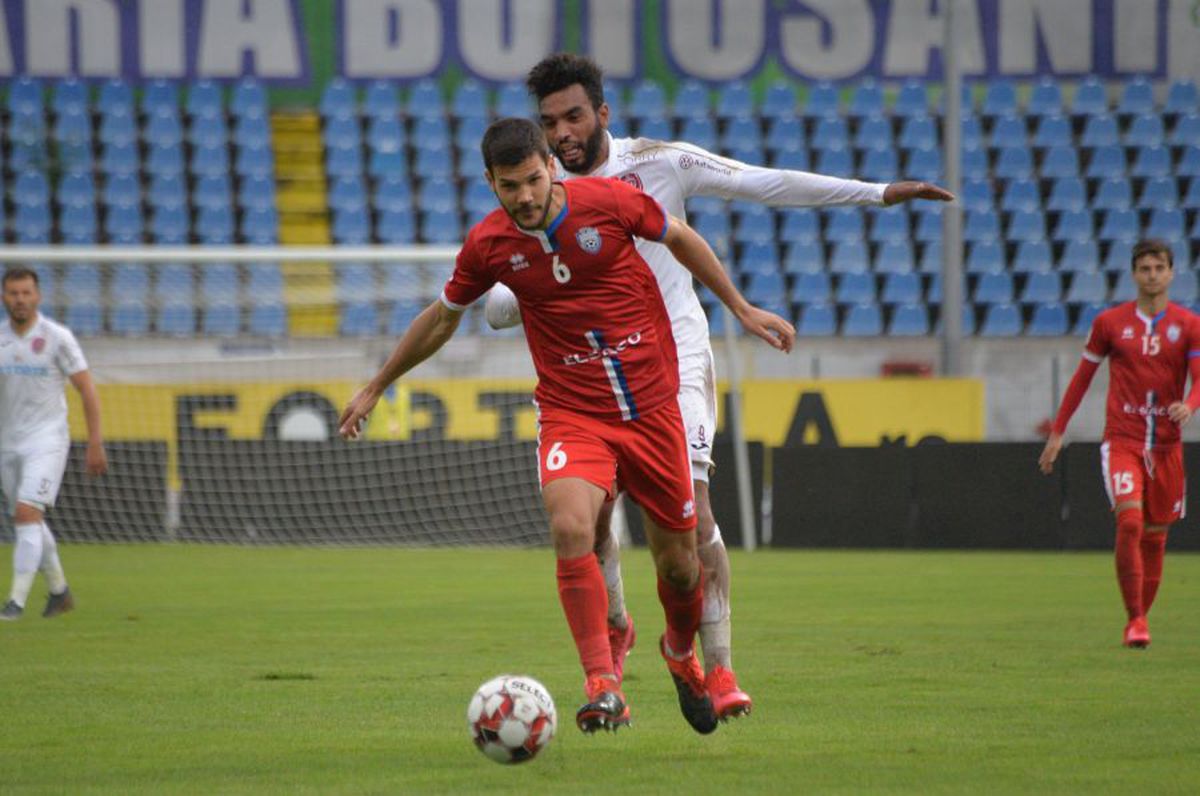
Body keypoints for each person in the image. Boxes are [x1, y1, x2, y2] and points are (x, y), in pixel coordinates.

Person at [484, 52, 955, 719]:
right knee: (588, 521)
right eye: (550, 121)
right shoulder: (537, 188)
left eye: (574, 116)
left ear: (602, 113)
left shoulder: (659, 163)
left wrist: (876, 192)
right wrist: (509, 298)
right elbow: (499, 292)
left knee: (695, 518)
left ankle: (719, 665)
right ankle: (616, 628)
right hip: (588, 376)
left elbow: (765, 183)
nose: (562, 133)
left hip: (673, 360)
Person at [339, 118, 794, 734]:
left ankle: (678, 651)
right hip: (573, 414)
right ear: (490, 182)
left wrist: (739, 306)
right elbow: (443, 317)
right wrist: (376, 385)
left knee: (680, 568)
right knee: (571, 525)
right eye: (509, 186)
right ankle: (602, 683)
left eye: (533, 179)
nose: (524, 196)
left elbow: (681, 237)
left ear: (551, 167)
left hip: (653, 411)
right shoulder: (488, 244)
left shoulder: (608, 203)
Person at [1039, 239, 1200, 648]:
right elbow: (1082, 379)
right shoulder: (1110, 323)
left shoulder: (1188, 325)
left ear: (1171, 273)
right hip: (1123, 440)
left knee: (1155, 537)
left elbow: (1199, 378)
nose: (1152, 275)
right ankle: (1136, 621)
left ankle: (1140, 617)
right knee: (1129, 521)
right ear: (1134, 274)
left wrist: (1190, 404)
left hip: (1166, 445)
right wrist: (1058, 431)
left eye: (1159, 268)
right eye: (1145, 269)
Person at [1, 267, 107, 621]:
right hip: (7, 442)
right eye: (13, 293)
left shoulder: (57, 338)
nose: (20, 299)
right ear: (4, 297)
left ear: (38, 296)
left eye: (26, 292)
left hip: (47, 440)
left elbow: (86, 389)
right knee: (27, 519)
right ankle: (60, 592)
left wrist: (95, 442)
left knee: (27, 513)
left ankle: (15, 603)